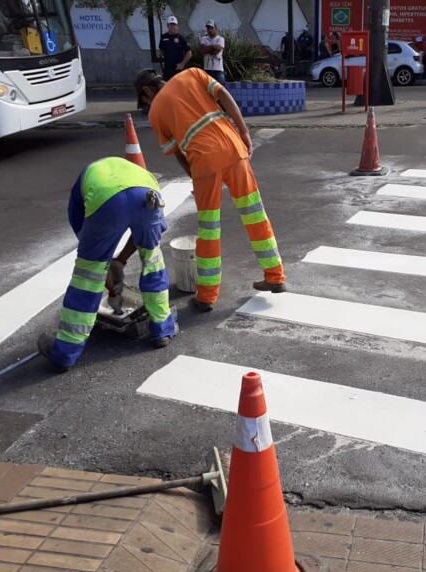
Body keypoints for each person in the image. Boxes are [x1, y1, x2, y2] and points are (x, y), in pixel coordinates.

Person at [134, 68, 286, 313]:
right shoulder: (192, 73)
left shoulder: (156, 111)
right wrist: (244, 132)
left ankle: (206, 295)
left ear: (147, 91)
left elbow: (176, 153)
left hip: (204, 161)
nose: (146, 104)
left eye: (144, 100)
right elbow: (225, 95)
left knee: (209, 228)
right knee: (255, 215)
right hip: (234, 149)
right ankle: (275, 275)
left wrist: (195, 176)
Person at [37, 157, 176, 373]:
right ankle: (162, 331)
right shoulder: (142, 174)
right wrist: (118, 263)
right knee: (152, 259)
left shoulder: (82, 188)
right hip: (149, 197)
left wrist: (113, 269)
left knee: (87, 276)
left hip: (107, 199)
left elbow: (94, 257)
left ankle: (64, 353)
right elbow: (144, 238)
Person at [157, 16, 191, 81]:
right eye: (170, 24)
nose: (172, 26)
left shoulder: (181, 38)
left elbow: (189, 53)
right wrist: (159, 54)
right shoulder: (163, 37)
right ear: (167, 26)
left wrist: (182, 64)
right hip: (167, 69)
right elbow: (161, 50)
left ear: (177, 26)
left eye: (174, 25)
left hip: (177, 69)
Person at [200, 19, 225, 84]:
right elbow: (202, 51)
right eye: (208, 28)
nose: (209, 30)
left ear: (216, 28)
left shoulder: (221, 39)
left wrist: (207, 48)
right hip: (207, 70)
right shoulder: (204, 39)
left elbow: (216, 52)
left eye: (211, 28)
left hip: (218, 70)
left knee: (220, 87)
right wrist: (213, 47)